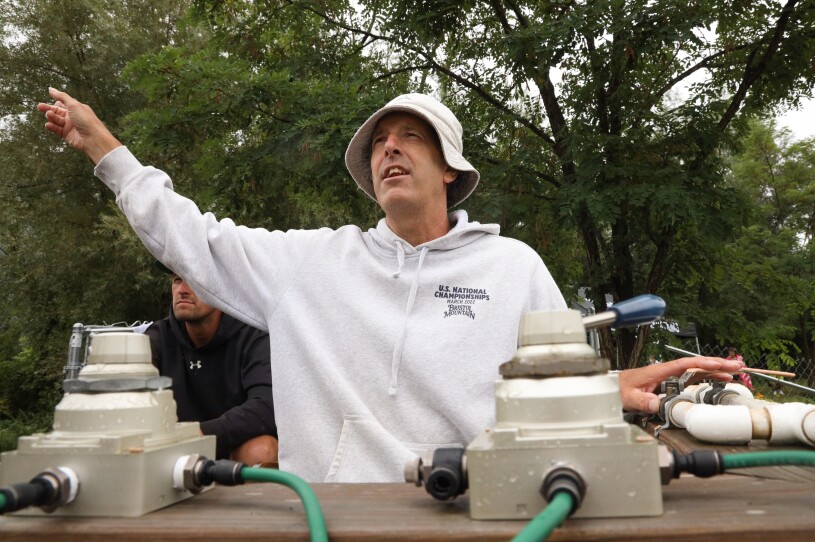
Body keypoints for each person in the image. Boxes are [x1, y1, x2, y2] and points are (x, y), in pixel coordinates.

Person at [38, 88, 741, 482]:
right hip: (330, 513)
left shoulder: (514, 266)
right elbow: (189, 237)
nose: (390, 148)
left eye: (410, 137)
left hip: (474, 508)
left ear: (449, 171)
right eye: (379, 141)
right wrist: (107, 150)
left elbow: (561, 392)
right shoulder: (309, 265)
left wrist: (652, 380)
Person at [145, 262, 278, 466]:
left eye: (193, 280)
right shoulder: (159, 337)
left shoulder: (253, 336)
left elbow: (266, 407)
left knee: (262, 451)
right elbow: (128, 392)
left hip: (231, 450)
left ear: (221, 290)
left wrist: (200, 433)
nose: (182, 290)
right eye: (177, 279)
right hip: (174, 451)